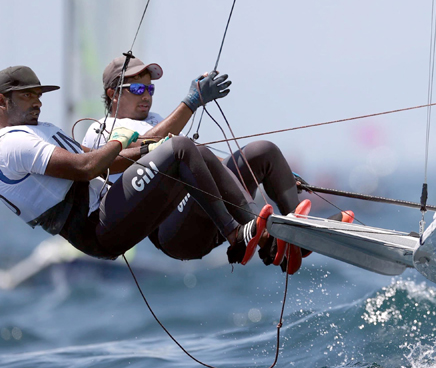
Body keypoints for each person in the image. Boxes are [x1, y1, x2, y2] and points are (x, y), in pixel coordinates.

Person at [82, 55, 352, 273]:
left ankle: (299, 237)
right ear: (113, 94)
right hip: (173, 233)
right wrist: (190, 103)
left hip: (204, 211)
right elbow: (142, 149)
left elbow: (200, 165)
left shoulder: (155, 119)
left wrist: (276, 173)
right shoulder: (101, 130)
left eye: (150, 88)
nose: (147, 95)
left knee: (263, 152)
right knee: (191, 148)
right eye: (138, 89)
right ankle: (265, 238)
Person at [0, 65, 273, 265]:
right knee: (182, 148)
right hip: (97, 226)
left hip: (109, 209)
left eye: (39, 95)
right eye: (28, 95)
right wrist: (117, 141)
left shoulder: (37, 129)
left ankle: (265, 236)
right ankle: (236, 235)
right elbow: (87, 168)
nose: (38, 102)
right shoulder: (7, 144)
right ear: (1, 101)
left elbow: (108, 164)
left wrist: (150, 148)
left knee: (188, 148)